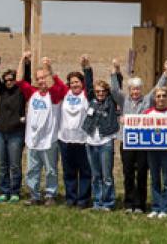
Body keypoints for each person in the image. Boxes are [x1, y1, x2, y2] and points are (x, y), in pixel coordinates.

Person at [110, 58, 167, 214]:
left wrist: (165, 73)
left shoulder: (147, 101)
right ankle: (129, 203)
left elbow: (158, 88)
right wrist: (115, 71)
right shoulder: (124, 101)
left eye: (138, 89)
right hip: (127, 142)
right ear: (129, 90)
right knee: (128, 173)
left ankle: (140, 204)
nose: (135, 92)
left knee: (142, 173)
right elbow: (115, 91)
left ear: (141, 90)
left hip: (143, 143)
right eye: (133, 89)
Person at [24, 58, 68, 206]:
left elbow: (57, 85)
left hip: (49, 140)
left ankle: (50, 195)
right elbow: (19, 81)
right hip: (33, 140)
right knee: (32, 170)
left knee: (51, 170)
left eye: (43, 78)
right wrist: (22, 59)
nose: (41, 81)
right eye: (39, 78)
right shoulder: (32, 93)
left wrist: (49, 68)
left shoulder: (54, 95)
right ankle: (34, 195)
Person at [0, 52, 29, 203]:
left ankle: (15, 192)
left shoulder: (21, 92)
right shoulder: (2, 91)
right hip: (0, 133)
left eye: (11, 80)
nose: (9, 82)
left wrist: (24, 61)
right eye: (6, 80)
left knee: (14, 165)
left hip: (16, 134)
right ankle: (4, 191)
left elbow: (24, 78)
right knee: (2, 165)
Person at [58, 55, 94, 208]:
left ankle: (83, 200)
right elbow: (56, 84)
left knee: (85, 172)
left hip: (82, 140)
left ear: (82, 83)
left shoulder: (86, 95)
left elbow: (90, 83)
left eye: (77, 82)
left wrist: (86, 68)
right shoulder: (65, 94)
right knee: (69, 171)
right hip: (65, 140)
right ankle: (70, 198)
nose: (74, 85)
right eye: (72, 82)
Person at [82, 75, 121, 211]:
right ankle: (98, 202)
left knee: (107, 176)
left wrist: (115, 73)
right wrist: (87, 69)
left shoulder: (110, 102)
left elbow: (116, 89)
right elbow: (87, 86)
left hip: (106, 142)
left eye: (103, 91)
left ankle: (108, 203)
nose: (100, 94)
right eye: (98, 91)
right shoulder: (91, 100)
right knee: (96, 176)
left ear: (107, 92)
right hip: (91, 143)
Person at [145, 87, 167, 218]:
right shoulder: (148, 113)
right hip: (152, 151)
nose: (161, 98)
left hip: (166, 151)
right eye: (158, 96)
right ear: (155, 98)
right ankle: (156, 207)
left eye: (164, 95)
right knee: (154, 179)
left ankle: (166, 208)